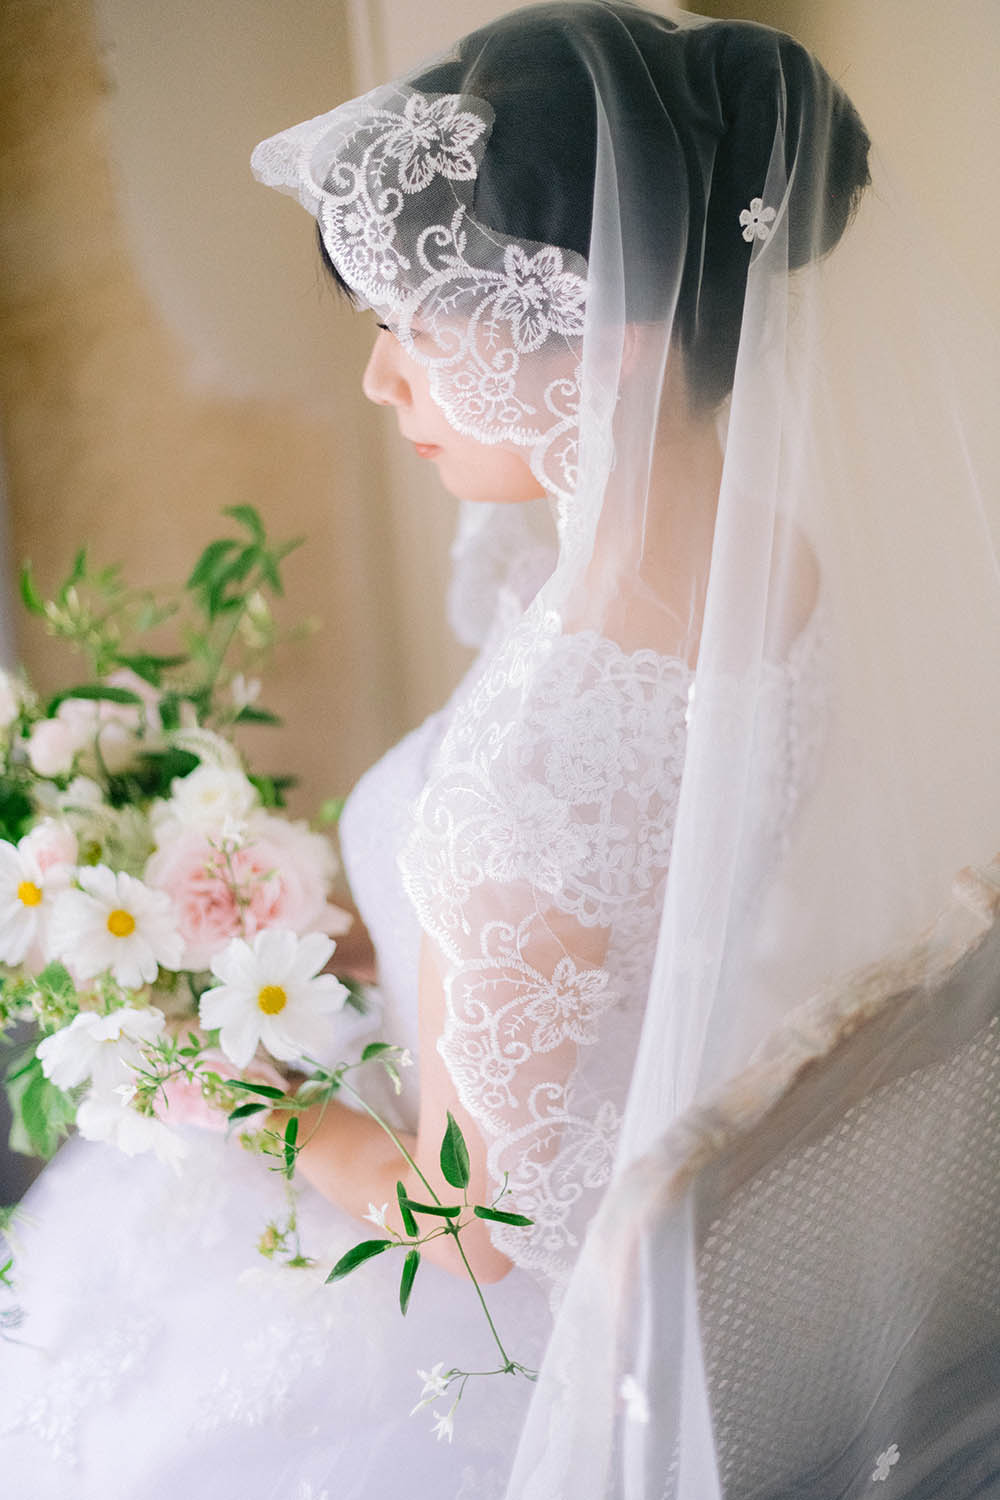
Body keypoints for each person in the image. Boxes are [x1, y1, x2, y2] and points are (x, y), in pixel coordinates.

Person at [2, 4, 999, 1497]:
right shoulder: (767, 557)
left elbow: (463, 1232)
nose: (380, 380)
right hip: (650, 1116)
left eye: (419, 321)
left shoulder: (528, 780)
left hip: (509, 1335)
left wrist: (245, 1100)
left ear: (613, 328)